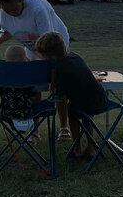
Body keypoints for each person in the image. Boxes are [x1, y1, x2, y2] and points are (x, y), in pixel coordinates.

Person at [0, 0, 71, 136]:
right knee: (33, 86)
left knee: (58, 84)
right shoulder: (5, 13)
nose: (12, 14)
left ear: (21, 0)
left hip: (54, 44)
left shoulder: (38, 8)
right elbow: (9, 29)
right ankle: (34, 130)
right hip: (31, 46)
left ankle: (64, 128)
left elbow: (48, 40)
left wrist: (44, 64)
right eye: (8, 11)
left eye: (15, 10)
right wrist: (1, 39)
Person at [35, 31, 107, 160]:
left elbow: (61, 96)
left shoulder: (59, 68)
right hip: (100, 99)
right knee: (86, 117)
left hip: (85, 102)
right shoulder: (75, 56)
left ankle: (77, 148)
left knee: (72, 114)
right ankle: (91, 149)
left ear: (50, 56)